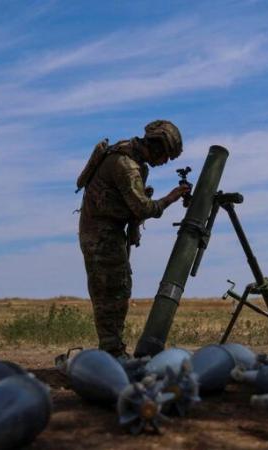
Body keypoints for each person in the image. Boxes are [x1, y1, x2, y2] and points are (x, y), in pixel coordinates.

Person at [77, 120, 190, 357]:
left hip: (110, 231)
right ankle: (111, 351)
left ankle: (112, 349)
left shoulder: (135, 160)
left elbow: (130, 207)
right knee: (110, 292)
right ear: (157, 146)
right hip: (100, 235)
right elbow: (143, 208)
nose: (165, 162)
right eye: (166, 156)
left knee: (119, 288)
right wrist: (171, 197)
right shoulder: (126, 165)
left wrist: (134, 228)